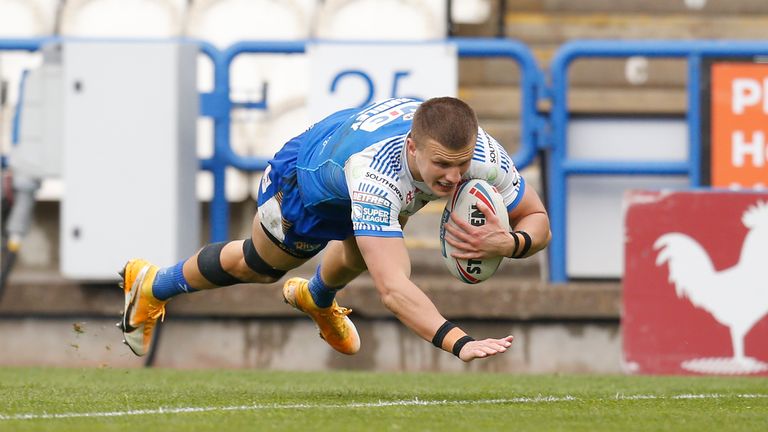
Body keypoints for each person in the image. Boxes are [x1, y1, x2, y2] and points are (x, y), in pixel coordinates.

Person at [118, 97, 551, 362]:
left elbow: (538, 218)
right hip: (307, 181)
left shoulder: (481, 153)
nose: (456, 178)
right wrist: (460, 342)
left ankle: (317, 297)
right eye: (442, 165)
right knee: (260, 266)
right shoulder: (376, 176)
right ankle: (153, 284)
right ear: (413, 148)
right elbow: (394, 289)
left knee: (366, 246)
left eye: (462, 164)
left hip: (352, 153)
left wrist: (510, 241)